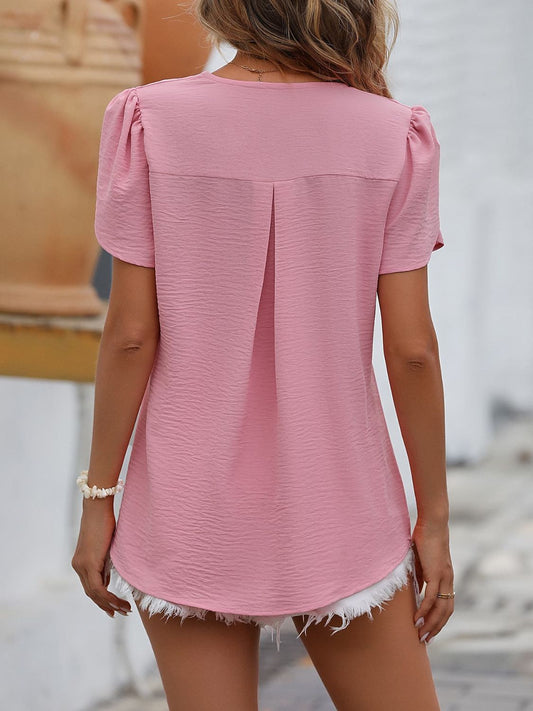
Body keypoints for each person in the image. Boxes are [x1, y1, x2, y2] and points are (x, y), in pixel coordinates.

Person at [71, 1, 454, 709]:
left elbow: (129, 333)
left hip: (187, 501)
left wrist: (98, 499)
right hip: (340, 503)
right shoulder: (394, 134)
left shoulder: (148, 120)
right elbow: (412, 352)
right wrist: (433, 517)